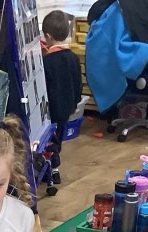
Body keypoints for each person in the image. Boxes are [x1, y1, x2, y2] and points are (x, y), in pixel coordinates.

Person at [41, 10, 83, 183]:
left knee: (47, 139)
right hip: (66, 107)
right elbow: (78, 83)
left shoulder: (47, 62)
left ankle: (50, 168)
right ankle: (54, 169)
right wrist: (74, 102)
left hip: (50, 109)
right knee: (58, 137)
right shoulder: (73, 58)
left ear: (48, 36)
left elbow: (44, 88)